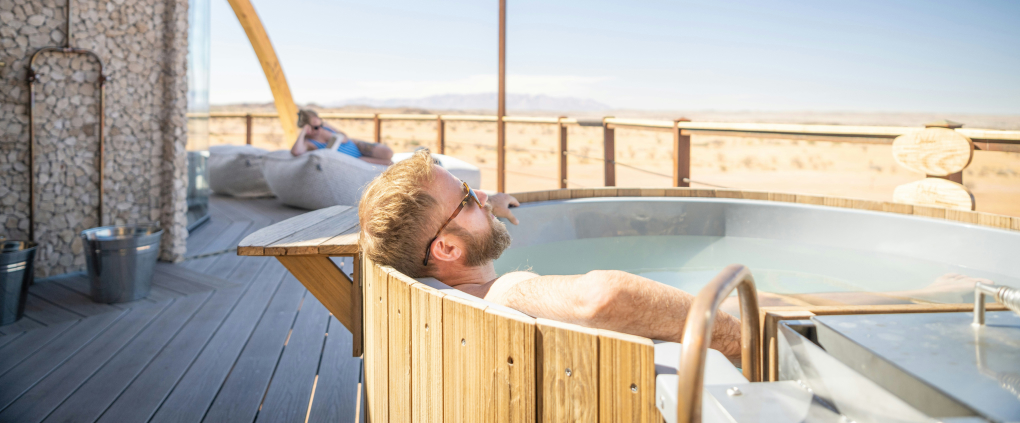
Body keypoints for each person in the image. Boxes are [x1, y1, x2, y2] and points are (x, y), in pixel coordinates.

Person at [358, 149, 744, 360]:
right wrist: (741, 339)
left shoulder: (430, 283)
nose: (480, 196)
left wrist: (487, 205)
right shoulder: (501, 294)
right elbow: (603, 297)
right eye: (466, 197)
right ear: (446, 248)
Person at [290, 109, 394, 165]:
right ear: (307, 128)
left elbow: (344, 136)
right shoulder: (308, 142)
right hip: (356, 159)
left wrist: (329, 131)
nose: (320, 128)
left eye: (320, 124)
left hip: (355, 145)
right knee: (390, 163)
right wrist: (302, 132)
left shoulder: (325, 127)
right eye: (316, 127)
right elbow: (296, 152)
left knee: (388, 153)